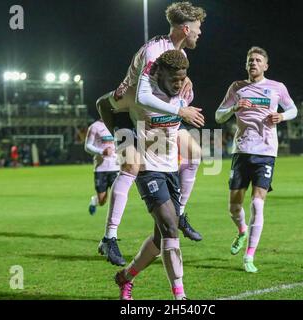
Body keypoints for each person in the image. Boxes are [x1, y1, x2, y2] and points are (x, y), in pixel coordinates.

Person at [95, 1, 206, 266]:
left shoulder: (178, 54)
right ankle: (109, 238)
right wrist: (180, 112)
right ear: (185, 28)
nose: (200, 33)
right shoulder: (156, 51)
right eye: (198, 28)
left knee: (194, 154)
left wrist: (184, 92)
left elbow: (169, 90)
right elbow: (143, 96)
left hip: (149, 116)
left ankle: (179, 213)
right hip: (124, 111)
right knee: (132, 165)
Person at [115, 50, 199, 300]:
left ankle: (125, 277)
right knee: (170, 229)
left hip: (170, 169)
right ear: (160, 74)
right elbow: (104, 105)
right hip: (148, 170)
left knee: (159, 236)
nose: (179, 84)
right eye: (174, 79)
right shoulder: (141, 95)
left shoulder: (185, 92)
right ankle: (180, 296)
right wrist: (124, 144)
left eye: (183, 78)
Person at [215, 47, 298, 273]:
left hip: (266, 151)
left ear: (265, 66)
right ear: (246, 65)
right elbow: (218, 115)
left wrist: (281, 115)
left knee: (257, 203)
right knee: (234, 207)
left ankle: (249, 256)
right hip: (241, 151)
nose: (253, 63)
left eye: (258, 60)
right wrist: (234, 107)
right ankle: (242, 230)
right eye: (250, 59)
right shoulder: (236, 87)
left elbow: (293, 110)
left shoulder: (277, 88)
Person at [84, 119, 120, 216]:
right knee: (102, 201)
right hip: (101, 168)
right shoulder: (95, 127)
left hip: (115, 167)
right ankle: (94, 200)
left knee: (117, 195)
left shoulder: (116, 125)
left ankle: (113, 223)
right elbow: (87, 146)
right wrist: (102, 151)